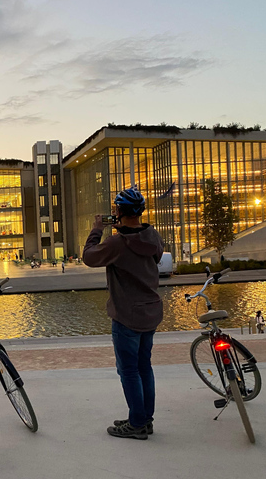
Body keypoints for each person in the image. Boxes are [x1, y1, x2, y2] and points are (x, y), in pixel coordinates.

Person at [83, 187, 164, 440]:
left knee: (128, 370)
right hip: (150, 311)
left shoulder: (118, 242)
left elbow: (89, 257)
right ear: (140, 212)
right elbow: (158, 256)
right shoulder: (152, 236)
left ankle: (137, 423)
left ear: (118, 212)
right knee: (144, 367)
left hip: (127, 316)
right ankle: (143, 418)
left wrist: (97, 229)